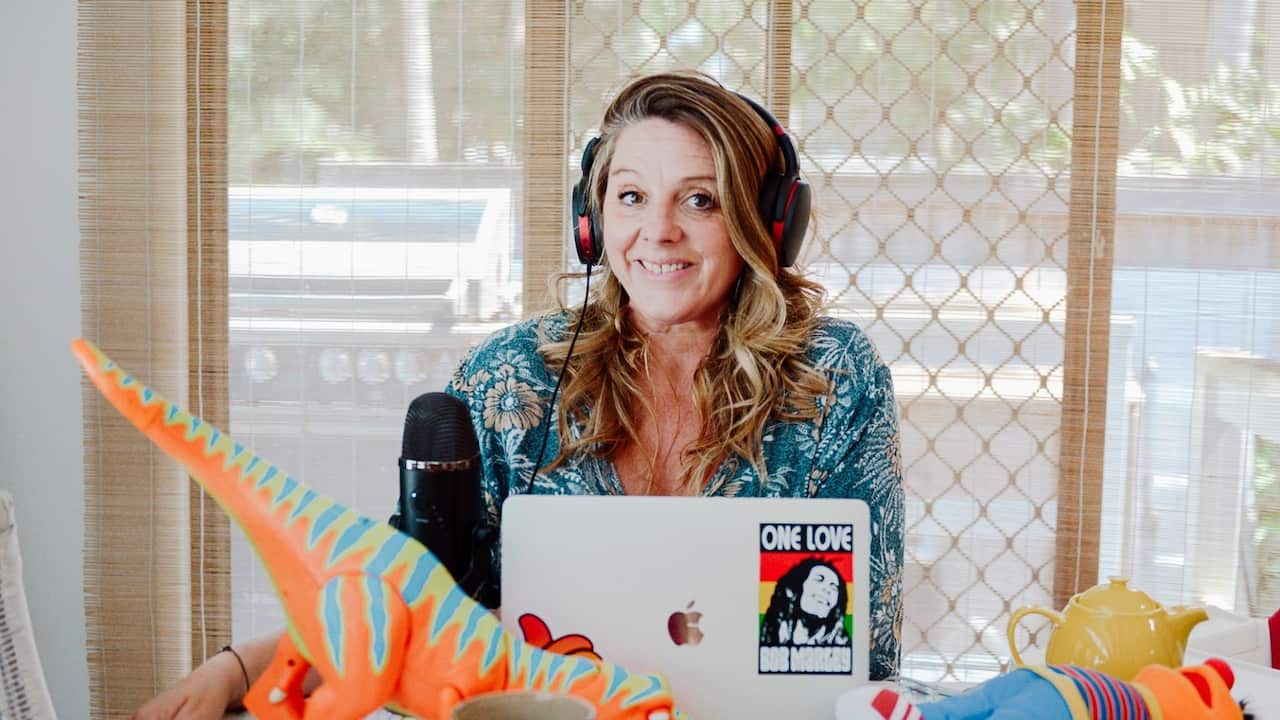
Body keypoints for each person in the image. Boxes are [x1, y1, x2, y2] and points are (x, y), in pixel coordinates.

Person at [131, 70, 904, 719]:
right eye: (632, 196)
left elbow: (859, 647)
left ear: (766, 222)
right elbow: (407, 591)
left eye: (698, 200)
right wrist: (238, 668)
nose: (659, 230)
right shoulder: (512, 375)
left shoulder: (834, 376)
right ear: (592, 221)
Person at [760, 557, 851, 646]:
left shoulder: (841, 642)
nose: (827, 589)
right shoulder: (773, 630)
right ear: (792, 591)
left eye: (834, 587)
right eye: (819, 579)